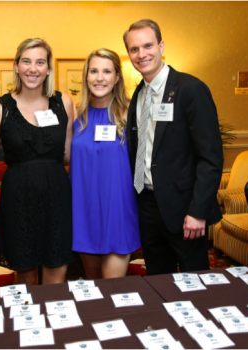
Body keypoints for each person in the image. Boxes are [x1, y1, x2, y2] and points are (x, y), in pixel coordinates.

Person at [124, 19, 223, 275]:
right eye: (134, 49)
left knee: (195, 281)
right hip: (147, 205)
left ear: (161, 45)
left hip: (184, 209)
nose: (141, 54)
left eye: (148, 45)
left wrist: (198, 211)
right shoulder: (138, 95)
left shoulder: (191, 89)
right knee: (158, 279)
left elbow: (210, 158)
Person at [0, 38, 75, 285]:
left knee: (57, 272)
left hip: (57, 197)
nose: (33, 68)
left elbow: (69, 153)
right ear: (16, 66)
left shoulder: (65, 103)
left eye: (40, 62)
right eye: (26, 61)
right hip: (18, 199)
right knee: (25, 275)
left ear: (48, 68)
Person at [70, 49, 141, 279]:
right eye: (94, 71)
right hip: (83, 209)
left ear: (117, 77)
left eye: (107, 71)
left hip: (118, 209)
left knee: (112, 285)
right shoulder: (75, 114)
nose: (99, 78)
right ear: (86, 76)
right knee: (92, 282)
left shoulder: (132, 113)